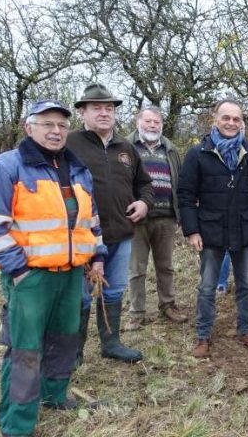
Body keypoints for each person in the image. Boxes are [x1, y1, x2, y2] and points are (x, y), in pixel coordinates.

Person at [0, 100, 107, 436]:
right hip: (30, 277)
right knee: (26, 349)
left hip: (72, 274)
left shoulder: (77, 169)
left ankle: (54, 395)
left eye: (62, 126)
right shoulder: (7, 167)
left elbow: (90, 221)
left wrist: (98, 255)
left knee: (64, 340)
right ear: (28, 127)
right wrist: (18, 270)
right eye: (47, 124)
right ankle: (17, 423)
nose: (55, 131)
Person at [178, 99, 248, 358]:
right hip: (210, 232)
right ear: (215, 120)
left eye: (236, 119)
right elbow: (186, 196)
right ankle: (203, 336)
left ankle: (245, 330)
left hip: (243, 231)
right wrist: (192, 231)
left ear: (241, 122)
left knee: (245, 285)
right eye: (226, 118)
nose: (231, 123)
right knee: (207, 287)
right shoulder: (197, 154)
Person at [67, 83, 154, 363]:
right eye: (97, 108)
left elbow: (145, 184)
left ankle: (111, 343)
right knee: (80, 296)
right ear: (82, 112)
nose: (104, 113)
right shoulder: (69, 144)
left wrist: (144, 203)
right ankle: (74, 351)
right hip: (81, 237)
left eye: (109, 108)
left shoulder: (125, 147)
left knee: (114, 289)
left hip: (121, 233)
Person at [125, 106, 187, 330]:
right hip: (135, 219)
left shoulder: (170, 149)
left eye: (157, 122)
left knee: (166, 266)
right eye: (148, 121)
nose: (152, 126)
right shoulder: (126, 147)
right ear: (138, 122)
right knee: (136, 269)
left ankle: (168, 305)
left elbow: (178, 182)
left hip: (165, 217)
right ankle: (136, 313)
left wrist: (179, 213)